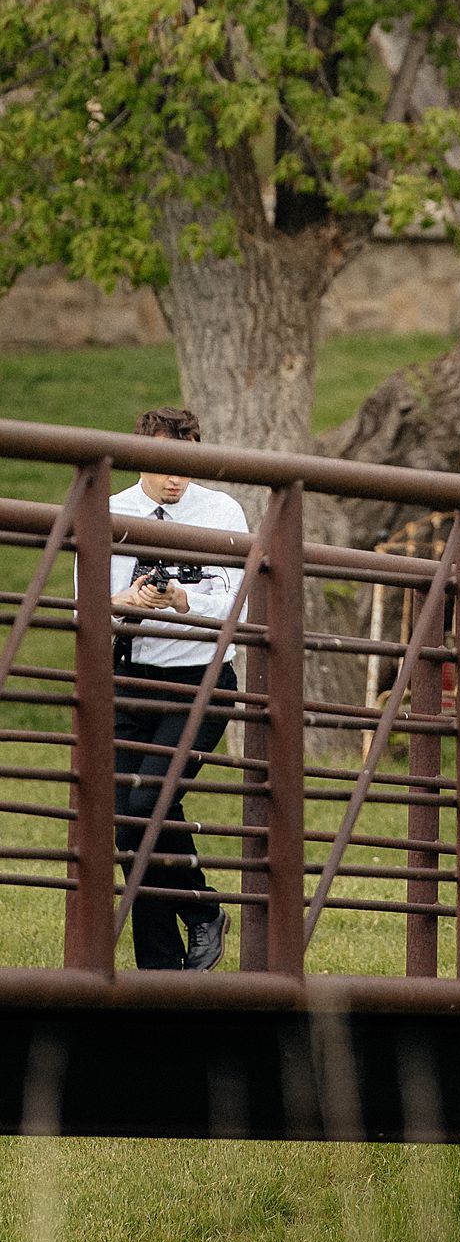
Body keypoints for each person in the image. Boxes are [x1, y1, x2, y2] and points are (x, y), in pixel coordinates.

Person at [109, 406, 248, 970]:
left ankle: (202, 912)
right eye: (166, 465)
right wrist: (132, 603)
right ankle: (161, 969)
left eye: (187, 464)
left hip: (201, 676)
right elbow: (89, 603)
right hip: (129, 673)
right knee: (129, 822)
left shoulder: (222, 511)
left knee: (148, 805)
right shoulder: (110, 509)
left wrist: (181, 601)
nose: (176, 478)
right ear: (143, 454)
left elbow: (236, 603)